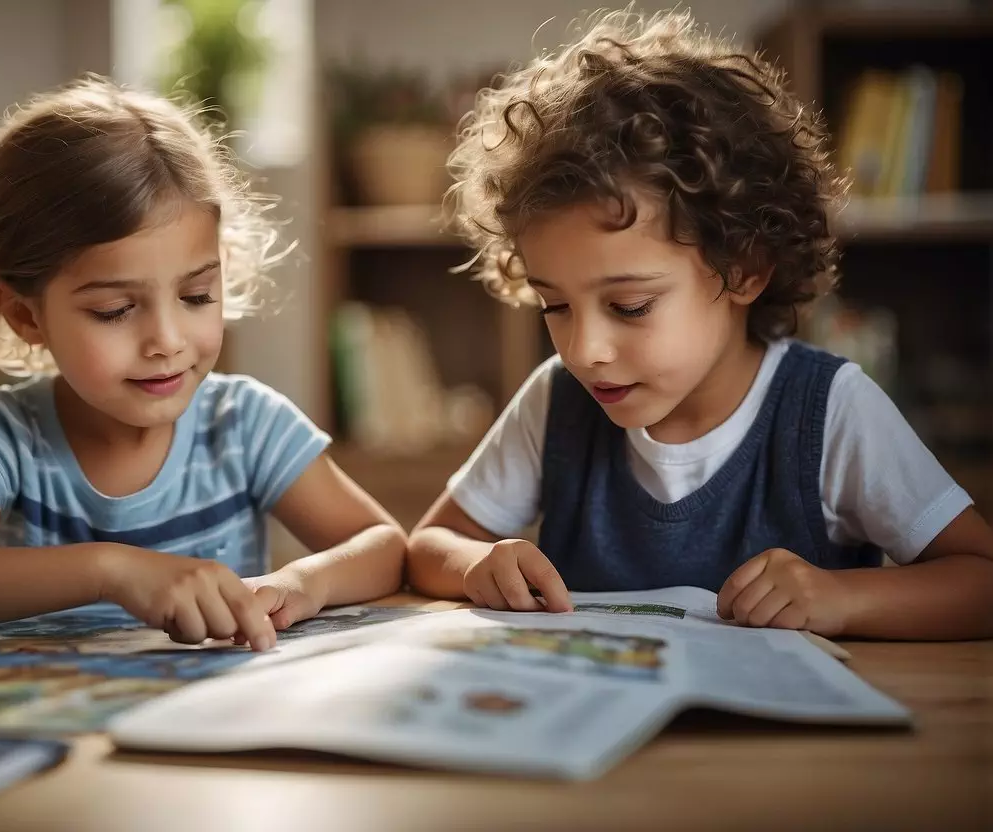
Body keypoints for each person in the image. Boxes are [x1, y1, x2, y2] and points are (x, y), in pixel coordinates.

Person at [407, 10, 993, 640]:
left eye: (630, 306)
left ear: (744, 270)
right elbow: (430, 544)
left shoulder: (829, 411)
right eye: (555, 306)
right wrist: (478, 563)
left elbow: (979, 579)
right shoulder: (555, 401)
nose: (586, 350)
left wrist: (842, 598)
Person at [0, 77, 405, 651]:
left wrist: (302, 581)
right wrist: (111, 571)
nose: (166, 340)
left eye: (196, 296)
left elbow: (385, 546)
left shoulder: (246, 425)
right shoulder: (7, 436)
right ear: (26, 316)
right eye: (115, 310)